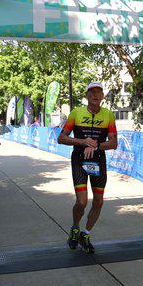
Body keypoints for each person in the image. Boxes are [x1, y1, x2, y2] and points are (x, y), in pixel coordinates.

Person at [58, 82, 118, 253]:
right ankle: (75, 227)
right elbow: (61, 138)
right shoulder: (76, 113)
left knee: (99, 201)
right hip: (79, 159)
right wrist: (82, 141)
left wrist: (96, 146)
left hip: (98, 160)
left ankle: (85, 234)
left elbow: (114, 143)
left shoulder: (108, 115)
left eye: (98, 92)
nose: (95, 95)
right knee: (82, 202)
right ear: (87, 96)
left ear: (103, 96)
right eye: (91, 92)